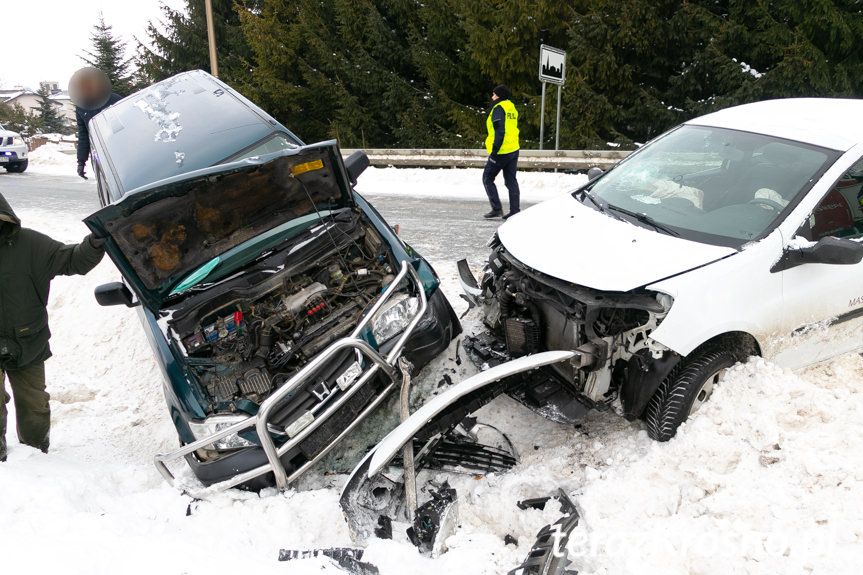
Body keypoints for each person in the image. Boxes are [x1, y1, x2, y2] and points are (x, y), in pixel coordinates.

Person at [0, 192, 106, 461]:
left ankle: (35, 456)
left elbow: (71, 260)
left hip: (27, 341)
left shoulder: (30, 245)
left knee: (34, 405)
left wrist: (93, 245)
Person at [70, 67, 123, 180]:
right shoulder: (81, 107)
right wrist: (81, 161)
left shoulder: (114, 100)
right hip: (99, 156)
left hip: (119, 153)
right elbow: (83, 135)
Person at [482, 84, 521, 219]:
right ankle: (515, 210)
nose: (492, 97)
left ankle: (497, 208)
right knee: (511, 181)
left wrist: (494, 151)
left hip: (501, 151)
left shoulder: (498, 109)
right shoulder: (511, 107)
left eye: (493, 94)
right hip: (514, 149)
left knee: (487, 177)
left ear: (498, 96)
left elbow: (500, 131)